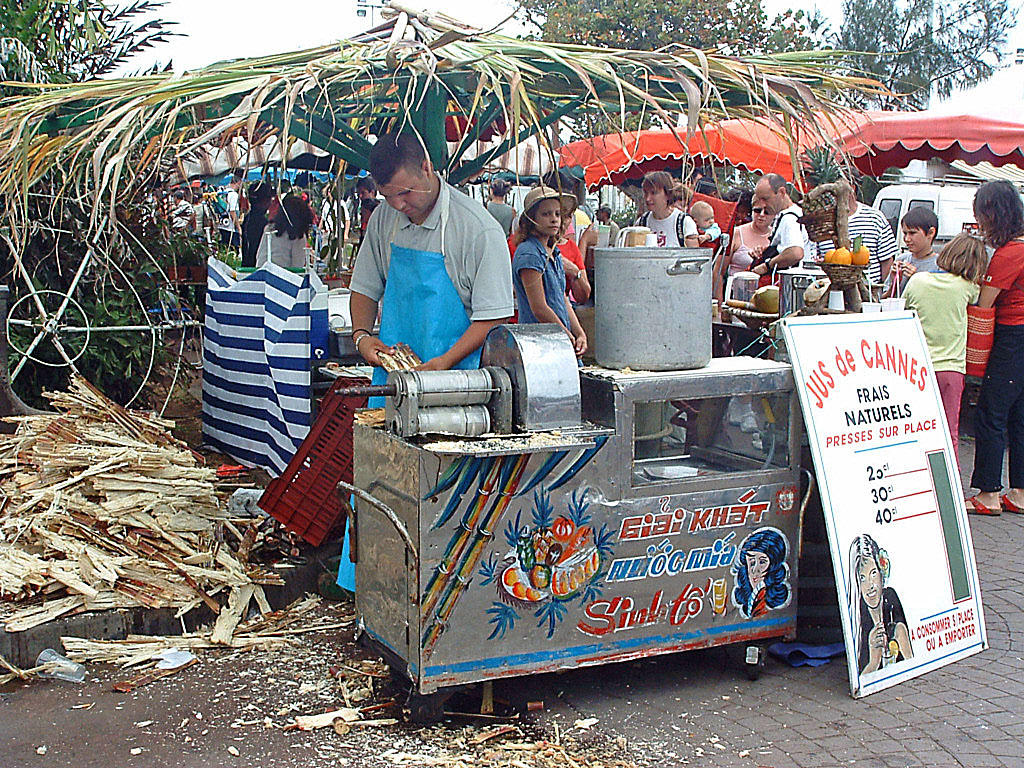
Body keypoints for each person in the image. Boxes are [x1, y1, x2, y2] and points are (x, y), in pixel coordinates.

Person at [349, 132, 513, 379]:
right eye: (388, 196)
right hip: (395, 383)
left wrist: (443, 363)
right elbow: (364, 286)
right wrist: (361, 336)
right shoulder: (384, 218)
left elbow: (493, 317)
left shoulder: (479, 230)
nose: (398, 205)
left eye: (406, 192)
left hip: (459, 385)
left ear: (426, 168)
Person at [902, 234, 987, 469]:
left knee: (915, 429)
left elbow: (904, 310)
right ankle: (951, 486)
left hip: (915, 367)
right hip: (951, 369)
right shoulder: (968, 288)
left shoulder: (917, 280)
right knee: (949, 432)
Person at [969, 180, 1024, 516]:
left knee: (991, 412)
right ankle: (1019, 490)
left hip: (1011, 336)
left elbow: (984, 303)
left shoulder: (1009, 254)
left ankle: (989, 492)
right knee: (1020, 415)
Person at [511, 186, 587, 357]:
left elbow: (563, 299)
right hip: (541, 345)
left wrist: (579, 333)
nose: (554, 219)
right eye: (546, 214)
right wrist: (565, 336)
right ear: (532, 219)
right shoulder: (529, 252)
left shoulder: (554, 252)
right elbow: (538, 307)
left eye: (557, 214)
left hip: (560, 341)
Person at [847, 534, 912, 675]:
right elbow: (859, 681)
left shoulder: (890, 598)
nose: (870, 585)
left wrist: (903, 642)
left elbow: (910, 662)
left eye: (873, 573)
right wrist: (873, 662)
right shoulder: (858, 617)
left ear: (882, 572)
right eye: (862, 578)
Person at [813, 196, 899, 286]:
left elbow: (887, 261)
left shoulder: (874, 218)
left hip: (868, 291)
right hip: (830, 289)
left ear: (852, 188)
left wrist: (882, 291)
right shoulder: (821, 222)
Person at [749, 173, 809, 283]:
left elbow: (796, 253)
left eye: (765, 199)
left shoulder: (789, 218)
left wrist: (767, 265)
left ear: (781, 192)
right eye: (759, 199)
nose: (763, 205)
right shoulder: (791, 214)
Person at [731, 527, 790, 619]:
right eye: (751, 562)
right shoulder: (747, 596)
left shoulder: (773, 598)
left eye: (762, 562)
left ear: (773, 565)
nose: (755, 570)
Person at [635, 171, 698, 248]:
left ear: (668, 194)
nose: (647, 198)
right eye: (645, 193)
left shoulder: (684, 222)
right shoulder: (642, 223)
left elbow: (694, 257)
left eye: (653, 193)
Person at [888, 206, 940, 296]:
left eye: (912, 233)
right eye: (905, 233)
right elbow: (885, 299)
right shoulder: (901, 260)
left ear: (931, 233)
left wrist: (916, 279)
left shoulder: (939, 265)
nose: (907, 239)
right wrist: (894, 283)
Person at [256, 194, 314, 269]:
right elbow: (297, 266)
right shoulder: (298, 236)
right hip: (283, 277)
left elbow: (259, 255)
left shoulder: (269, 229)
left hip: (262, 273)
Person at [726, 198, 772, 276]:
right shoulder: (736, 233)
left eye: (767, 212)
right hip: (736, 286)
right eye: (757, 210)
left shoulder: (777, 235)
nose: (761, 214)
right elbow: (719, 272)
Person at [242, 180, 274, 268]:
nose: (270, 202)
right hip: (256, 266)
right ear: (262, 201)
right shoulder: (260, 221)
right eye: (268, 199)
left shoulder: (249, 217)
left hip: (249, 264)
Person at [218, 169, 244, 248]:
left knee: (225, 248)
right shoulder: (233, 194)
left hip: (222, 225)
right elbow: (232, 211)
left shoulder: (223, 193)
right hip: (230, 228)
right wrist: (238, 227)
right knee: (234, 249)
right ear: (238, 182)